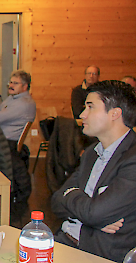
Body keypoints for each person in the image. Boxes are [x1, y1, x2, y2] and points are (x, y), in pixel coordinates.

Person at [51, 80, 136, 262]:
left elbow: (95, 213)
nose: (82, 114)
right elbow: (56, 201)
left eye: (90, 107)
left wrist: (73, 197)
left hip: (95, 253)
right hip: (64, 241)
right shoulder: (92, 153)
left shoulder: (132, 159)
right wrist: (91, 216)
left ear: (115, 114)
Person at [0, 70, 36, 149]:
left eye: (15, 83)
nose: (11, 86)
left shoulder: (23, 103)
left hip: (7, 144)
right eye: (10, 82)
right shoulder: (12, 97)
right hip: (0, 139)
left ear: (25, 86)